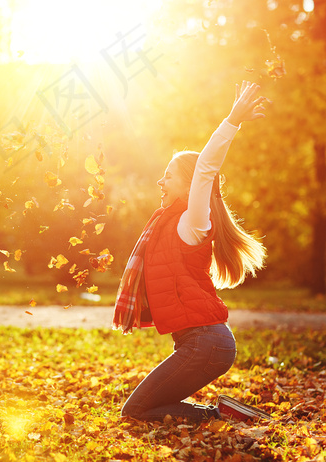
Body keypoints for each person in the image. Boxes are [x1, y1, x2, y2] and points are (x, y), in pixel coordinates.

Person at [113, 81, 271, 423]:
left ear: (188, 184)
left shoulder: (193, 222)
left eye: (167, 177)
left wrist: (232, 120)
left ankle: (220, 417)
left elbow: (206, 170)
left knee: (135, 412)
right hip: (198, 343)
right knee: (141, 410)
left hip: (206, 343)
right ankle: (224, 414)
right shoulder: (166, 225)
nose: (160, 183)